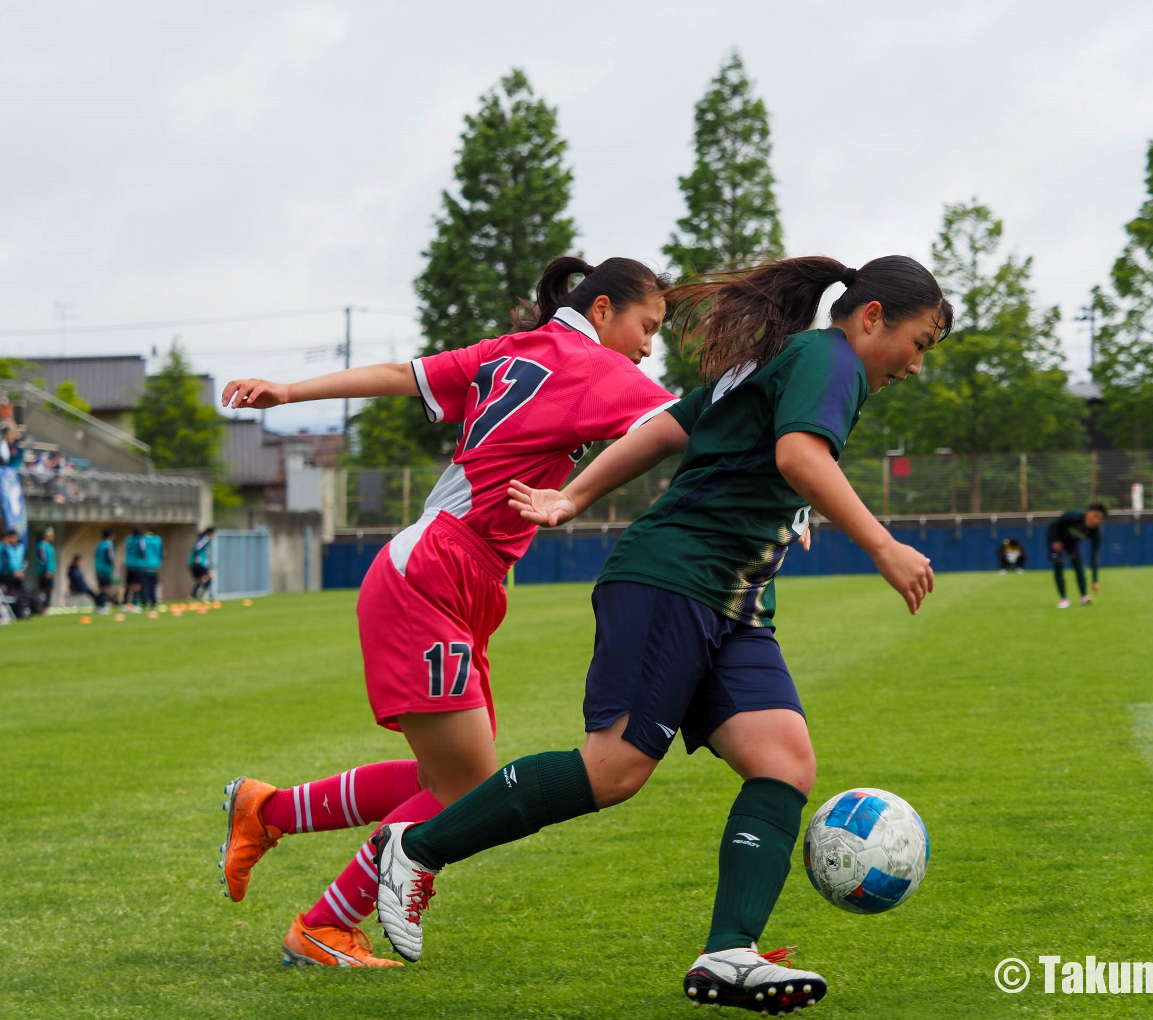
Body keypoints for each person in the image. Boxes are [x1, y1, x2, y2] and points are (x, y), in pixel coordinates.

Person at [367, 254, 951, 1014]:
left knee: (783, 758)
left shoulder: (789, 359)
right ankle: (416, 848)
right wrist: (883, 545)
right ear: (872, 317)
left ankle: (728, 954)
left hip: (733, 598)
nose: (915, 364)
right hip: (673, 579)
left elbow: (670, 425)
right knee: (613, 770)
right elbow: (799, 455)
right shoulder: (829, 359)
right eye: (921, 342)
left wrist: (572, 498)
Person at [216, 256, 687, 968]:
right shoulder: (592, 364)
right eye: (646, 327)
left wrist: (288, 392)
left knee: (450, 779)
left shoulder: (514, 348)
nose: (648, 346)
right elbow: (688, 425)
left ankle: (268, 811)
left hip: (448, 570)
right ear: (601, 312)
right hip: (438, 572)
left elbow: (399, 376)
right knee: (467, 788)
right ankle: (323, 926)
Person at [1047, 503, 1105, 608]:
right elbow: (1056, 523)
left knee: (1078, 564)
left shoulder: (1096, 532)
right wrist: (1056, 540)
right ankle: (1063, 599)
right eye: (1094, 516)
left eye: (1099, 518)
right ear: (1087, 513)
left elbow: (1094, 554)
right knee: (1058, 564)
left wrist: (1095, 580)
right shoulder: (1074, 516)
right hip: (1055, 535)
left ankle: (1084, 597)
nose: (1095, 520)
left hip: (1072, 540)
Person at [122, 526, 146, 610]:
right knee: (137, 586)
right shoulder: (140, 540)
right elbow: (142, 550)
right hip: (138, 564)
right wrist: (144, 556)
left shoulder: (128, 539)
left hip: (129, 564)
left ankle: (124, 605)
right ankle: (135, 605)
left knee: (129, 585)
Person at [35, 527, 56, 614]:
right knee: (43, 590)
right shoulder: (42, 545)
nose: (53, 536)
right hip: (45, 572)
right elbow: (43, 559)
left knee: (49, 589)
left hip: (49, 572)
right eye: (52, 535)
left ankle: (46, 608)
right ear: (47, 535)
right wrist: (47, 570)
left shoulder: (48, 546)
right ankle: (42, 608)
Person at [190, 527, 214, 600]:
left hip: (197, 563)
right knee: (210, 576)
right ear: (211, 533)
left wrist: (206, 554)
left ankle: (194, 596)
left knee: (201, 580)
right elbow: (197, 547)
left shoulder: (205, 539)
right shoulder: (205, 538)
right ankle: (204, 595)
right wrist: (197, 556)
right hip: (199, 563)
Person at [95, 528, 117, 610]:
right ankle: (102, 605)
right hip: (106, 569)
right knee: (105, 588)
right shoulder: (109, 544)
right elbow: (110, 557)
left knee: (101, 588)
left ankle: (99, 605)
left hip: (98, 569)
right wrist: (114, 565)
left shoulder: (99, 544)